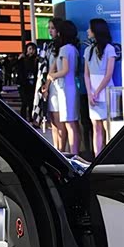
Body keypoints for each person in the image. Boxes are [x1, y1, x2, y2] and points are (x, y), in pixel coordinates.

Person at [43, 19, 81, 155]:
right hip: (67, 87)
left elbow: (65, 70)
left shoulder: (65, 49)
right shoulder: (71, 48)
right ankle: (72, 153)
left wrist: (52, 76)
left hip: (65, 88)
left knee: (70, 123)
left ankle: (73, 154)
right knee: (70, 123)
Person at [83, 18, 117, 156]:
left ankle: (109, 157)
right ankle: (97, 157)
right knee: (95, 127)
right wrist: (90, 94)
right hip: (92, 94)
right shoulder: (88, 50)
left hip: (106, 93)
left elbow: (108, 75)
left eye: (90, 28)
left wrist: (96, 92)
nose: (87, 31)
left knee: (108, 127)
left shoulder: (110, 49)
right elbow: (86, 74)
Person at [15, 42, 39, 121]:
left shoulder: (36, 60)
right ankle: (23, 118)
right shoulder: (22, 59)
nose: (31, 51)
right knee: (24, 101)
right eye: (30, 49)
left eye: (33, 49)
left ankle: (31, 118)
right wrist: (19, 59)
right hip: (23, 84)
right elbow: (17, 69)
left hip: (32, 83)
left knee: (31, 101)